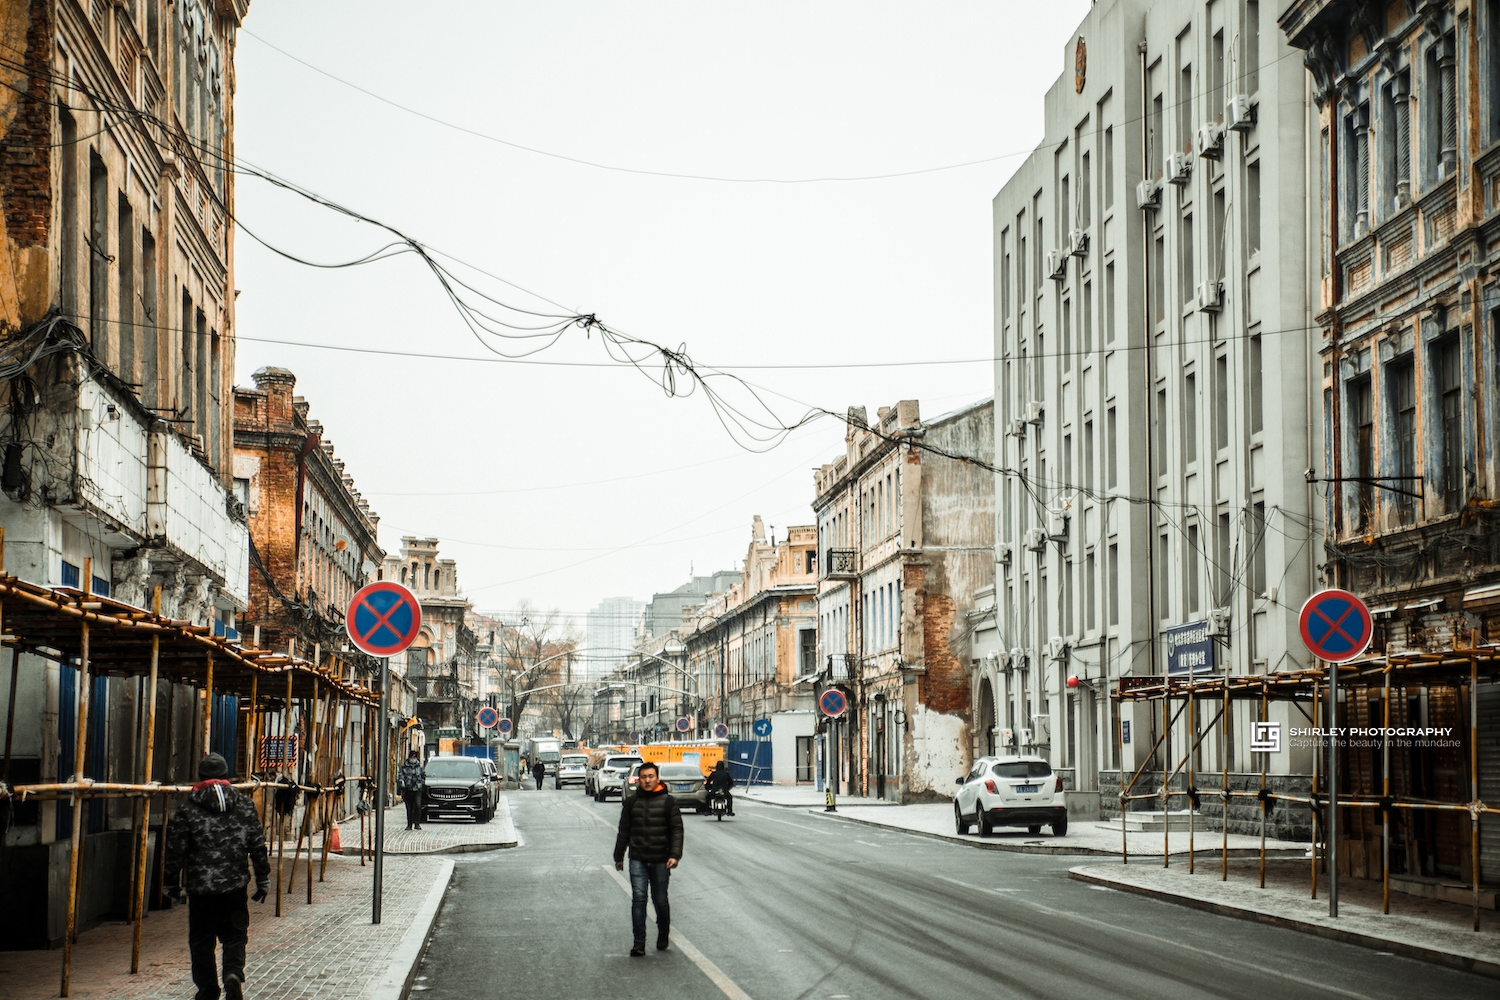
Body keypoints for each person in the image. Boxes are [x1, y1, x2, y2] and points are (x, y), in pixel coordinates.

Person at [164, 753, 271, 1000]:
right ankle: (233, 973)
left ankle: (208, 989)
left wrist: (171, 883)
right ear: (226, 776)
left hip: (201, 889)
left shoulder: (188, 809)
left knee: (202, 941)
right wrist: (262, 877)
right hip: (235, 885)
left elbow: (175, 850)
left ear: (200, 777)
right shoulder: (244, 805)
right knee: (235, 934)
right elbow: (257, 844)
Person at [612, 761, 683, 956]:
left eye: (651, 776)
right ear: (639, 779)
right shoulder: (631, 803)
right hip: (638, 859)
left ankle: (663, 932)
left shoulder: (668, 802)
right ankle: (639, 942)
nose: (647, 780)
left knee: (660, 900)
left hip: (661, 859)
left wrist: (674, 855)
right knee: (639, 898)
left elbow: (677, 830)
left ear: (657, 778)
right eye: (643, 777)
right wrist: (619, 856)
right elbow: (623, 831)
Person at [397, 749, 426, 830]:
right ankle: (409, 824)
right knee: (409, 808)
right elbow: (400, 776)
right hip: (408, 789)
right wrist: (402, 783)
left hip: (417, 790)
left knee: (417, 805)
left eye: (414, 757)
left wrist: (421, 784)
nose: (413, 758)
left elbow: (423, 776)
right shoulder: (404, 766)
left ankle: (417, 823)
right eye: (412, 756)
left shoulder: (420, 766)